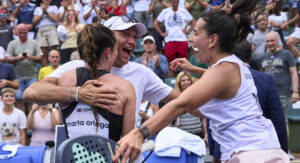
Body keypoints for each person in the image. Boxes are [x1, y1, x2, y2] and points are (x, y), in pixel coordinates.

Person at [112, 0, 289, 162]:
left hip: (253, 154)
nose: (190, 39)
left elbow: (181, 105)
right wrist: (195, 69)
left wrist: (140, 133)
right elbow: (207, 97)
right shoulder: (235, 66)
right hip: (257, 150)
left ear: (212, 40)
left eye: (196, 33)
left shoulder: (223, 70)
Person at [23, 16, 179, 128]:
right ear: (108, 38)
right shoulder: (74, 68)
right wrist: (78, 93)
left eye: (134, 36)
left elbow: (182, 101)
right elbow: (31, 92)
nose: (132, 41)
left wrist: (144, 132)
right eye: (125, 34)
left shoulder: (141, 72)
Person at [207, 40, 289, 162]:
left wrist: (214, 152)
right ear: (251, 56)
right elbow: (277, 118)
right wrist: (282, 149)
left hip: (228, 150)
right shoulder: (265, 79)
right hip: (263, 149)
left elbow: (212, 115)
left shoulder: (217, 79)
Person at [58, 24, 136, 141]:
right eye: (115, 50)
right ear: (108, 52)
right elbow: (127, 140)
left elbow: (62, 123)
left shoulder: (65, 79)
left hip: (71, 157)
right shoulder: (125, 88)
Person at [5, 24, 42, 113]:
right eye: (20, 33)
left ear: (27, 32)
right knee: (19, 100)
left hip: (32, 75)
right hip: (17, 77)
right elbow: (7, 59)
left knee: (31, 100)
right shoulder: (12, 43)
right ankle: (21, 123)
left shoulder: (34, 43)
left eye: (24, 33)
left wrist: (31, 57)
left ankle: (31, 123)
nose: (22, 35)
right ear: (17, 33)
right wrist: (18, 58)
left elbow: (40, 57)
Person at [154, 0, 195, 77]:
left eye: (177, 2)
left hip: (182, 40)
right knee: (171, 65)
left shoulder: (183, 11)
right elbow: (156, 23)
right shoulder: (165, 11)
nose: (175, 4)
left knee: (183, 64)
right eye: (174, 2)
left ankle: (184, 84)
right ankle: (171, 84)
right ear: (170, 2)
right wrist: (162, 33)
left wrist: (187, 31)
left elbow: (193, 22)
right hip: (170, 40)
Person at [174, 71, 206, 139]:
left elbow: (204, 117)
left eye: (188, 80)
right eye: (183, 80)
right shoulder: (175, 98)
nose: (186, 82)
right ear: (179, 83)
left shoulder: (198, 97)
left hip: (198, 135)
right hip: (182, 136)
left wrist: (206, 135)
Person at [32, 0, 59, 66]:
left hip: (51, 28)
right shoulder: (38, 9)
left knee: (53, 50)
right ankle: (44, 70)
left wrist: (46, 13)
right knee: (43, 52)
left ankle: (54, 68)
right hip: (41, 29)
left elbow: (55, 19)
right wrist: (42, 14)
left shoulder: (54, 7)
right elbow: (34, 21)